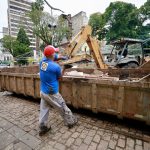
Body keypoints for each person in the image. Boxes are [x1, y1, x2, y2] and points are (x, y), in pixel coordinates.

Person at [39, 45, 77, 136]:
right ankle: (71, 121)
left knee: (44, 110)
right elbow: (60, 78)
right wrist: (65, 68)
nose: (56, 53)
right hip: (52, 93)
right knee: (62, 106)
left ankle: (43, 126)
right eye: (54, 52)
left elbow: (54, 57)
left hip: (43, 92)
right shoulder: (55, 67)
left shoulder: (42, 62)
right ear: (52, 54)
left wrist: (64, 57)